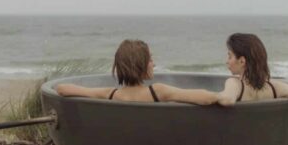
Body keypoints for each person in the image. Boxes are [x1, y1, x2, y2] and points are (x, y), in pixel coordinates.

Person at [56, 39, 218, 105]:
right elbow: (206, 97)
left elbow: (62, 88)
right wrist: (226, 94)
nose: (153, 65)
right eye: (150, 60)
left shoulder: (111, 94)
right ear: (141, 64)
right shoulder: (159, 91)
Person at [217, 33, 288, 106]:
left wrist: (207, 97)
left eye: (230, 56)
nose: (227, 61)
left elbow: (227, 99)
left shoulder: (234, 83)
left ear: (242, 61)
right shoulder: (275, 87)